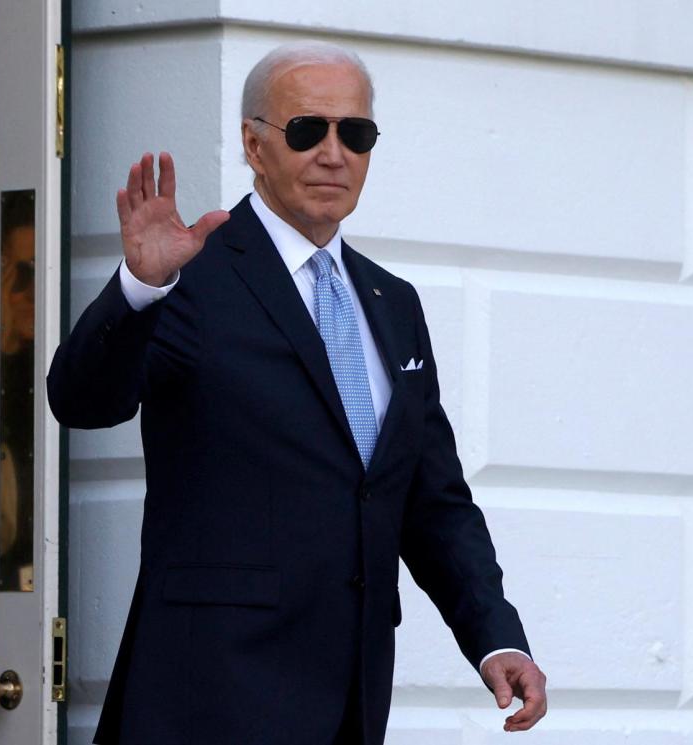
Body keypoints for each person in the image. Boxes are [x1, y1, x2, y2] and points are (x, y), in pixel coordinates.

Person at [47, 40, 547, 745]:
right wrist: (139, 290)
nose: (333, 153)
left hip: (351, 697)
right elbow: (83, 400)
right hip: (209, 697)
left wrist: (497, 638)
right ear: (254, 145)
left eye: (357, 133)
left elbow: (432, 500)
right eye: (308, 130)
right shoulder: (192, 275)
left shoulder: (391, 300)